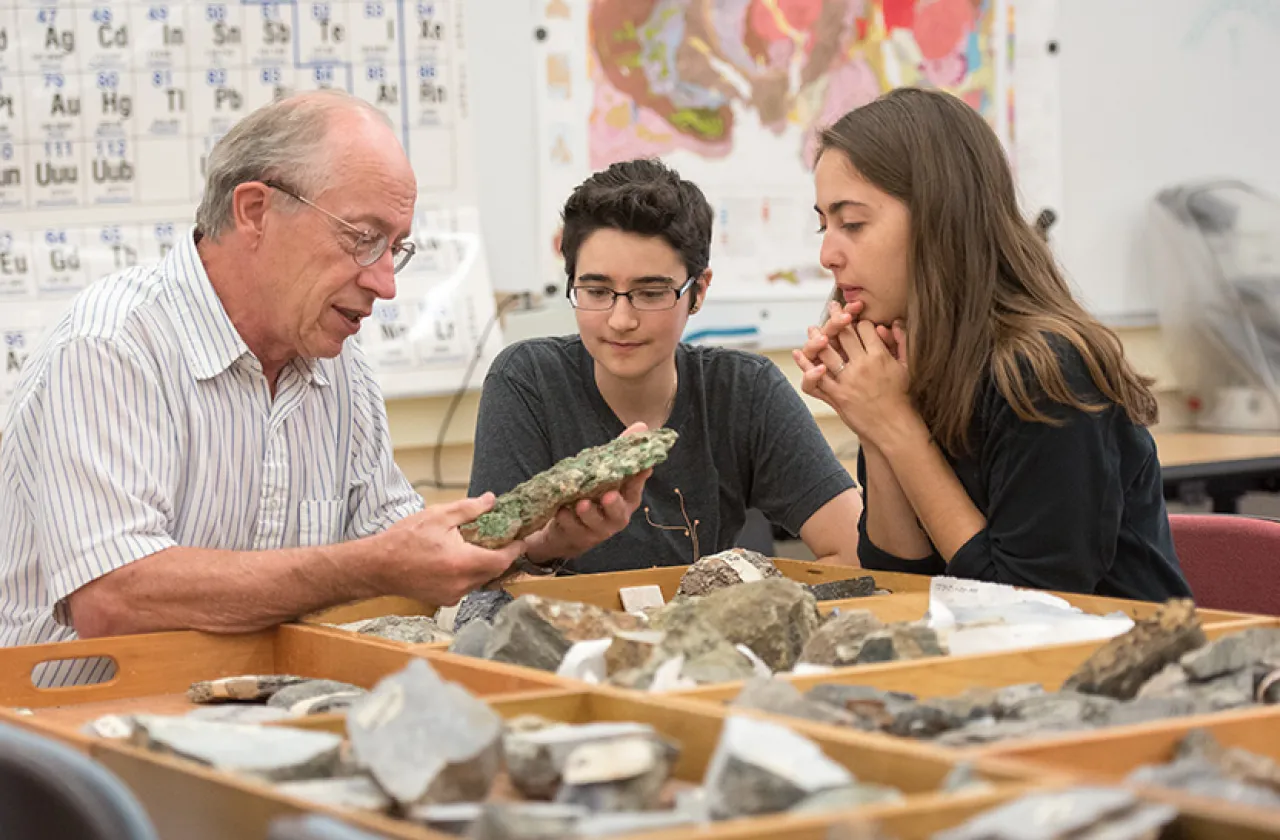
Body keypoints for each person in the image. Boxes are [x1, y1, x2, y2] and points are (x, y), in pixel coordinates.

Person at [0, 91, 639, 685]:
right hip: (69, 747)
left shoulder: (339, 364)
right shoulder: (110, 348)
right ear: (255, 212)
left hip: (256, 714)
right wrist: (367, 564)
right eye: (363, 239)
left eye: (397, 248)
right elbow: (114, 598)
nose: (386, 284)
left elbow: (407, 557)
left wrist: (542, 540)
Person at [793, 87, 1191, 601]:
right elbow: (899, 580)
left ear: (941, 219)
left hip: (1106, 667)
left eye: (853, 224)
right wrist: (874, 422)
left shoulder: (1048, 370)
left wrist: (898, 427)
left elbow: (1024, 602)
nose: (827, 253)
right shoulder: (903, 356)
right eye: (824, 225)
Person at [468, 159, 863, 573]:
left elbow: (852, 551)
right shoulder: (528, 381)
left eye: (651, 292)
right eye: (596, 290)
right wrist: (547, 546)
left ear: (699, 291)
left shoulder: (744, 391)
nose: (621, 320)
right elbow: (480, 576)